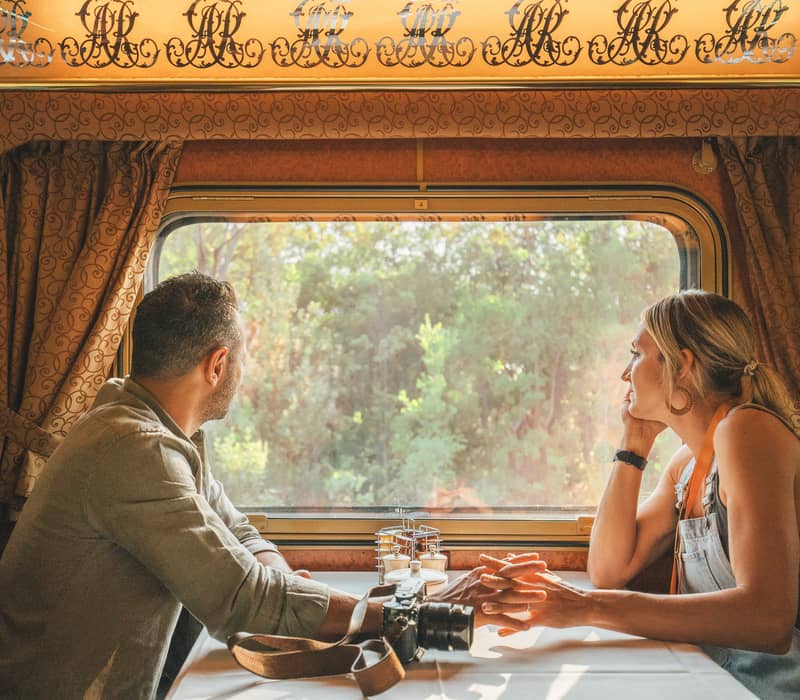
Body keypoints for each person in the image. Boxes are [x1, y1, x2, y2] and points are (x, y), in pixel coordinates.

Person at [0, 272, 530, 700]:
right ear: (219, 364)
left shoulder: (153, 427)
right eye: (243, 359)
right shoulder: (134, 448)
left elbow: (238, 529)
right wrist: (411, 616)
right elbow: (244, 599)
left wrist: (277, 578)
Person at [475, 290, 800, 699]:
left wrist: (586, 607)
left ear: (681, 365)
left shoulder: (747, 431)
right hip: (720, 681)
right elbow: (609, 569)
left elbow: (768, 620)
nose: (624, 374)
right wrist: (634, 445)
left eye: (636, 354)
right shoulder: (687, 465)